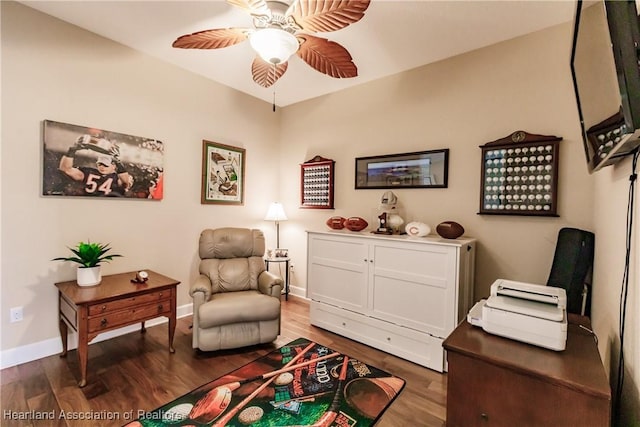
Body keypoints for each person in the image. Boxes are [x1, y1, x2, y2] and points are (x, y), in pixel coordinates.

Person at [58, 137, 132, 197]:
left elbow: (125, 183)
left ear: (114, 166)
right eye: (100, 164)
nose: (102, 167)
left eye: (105, 165)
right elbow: (65, 169)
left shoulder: (118, 177)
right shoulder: (88, 172)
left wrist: (118, 162)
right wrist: (72, 151)